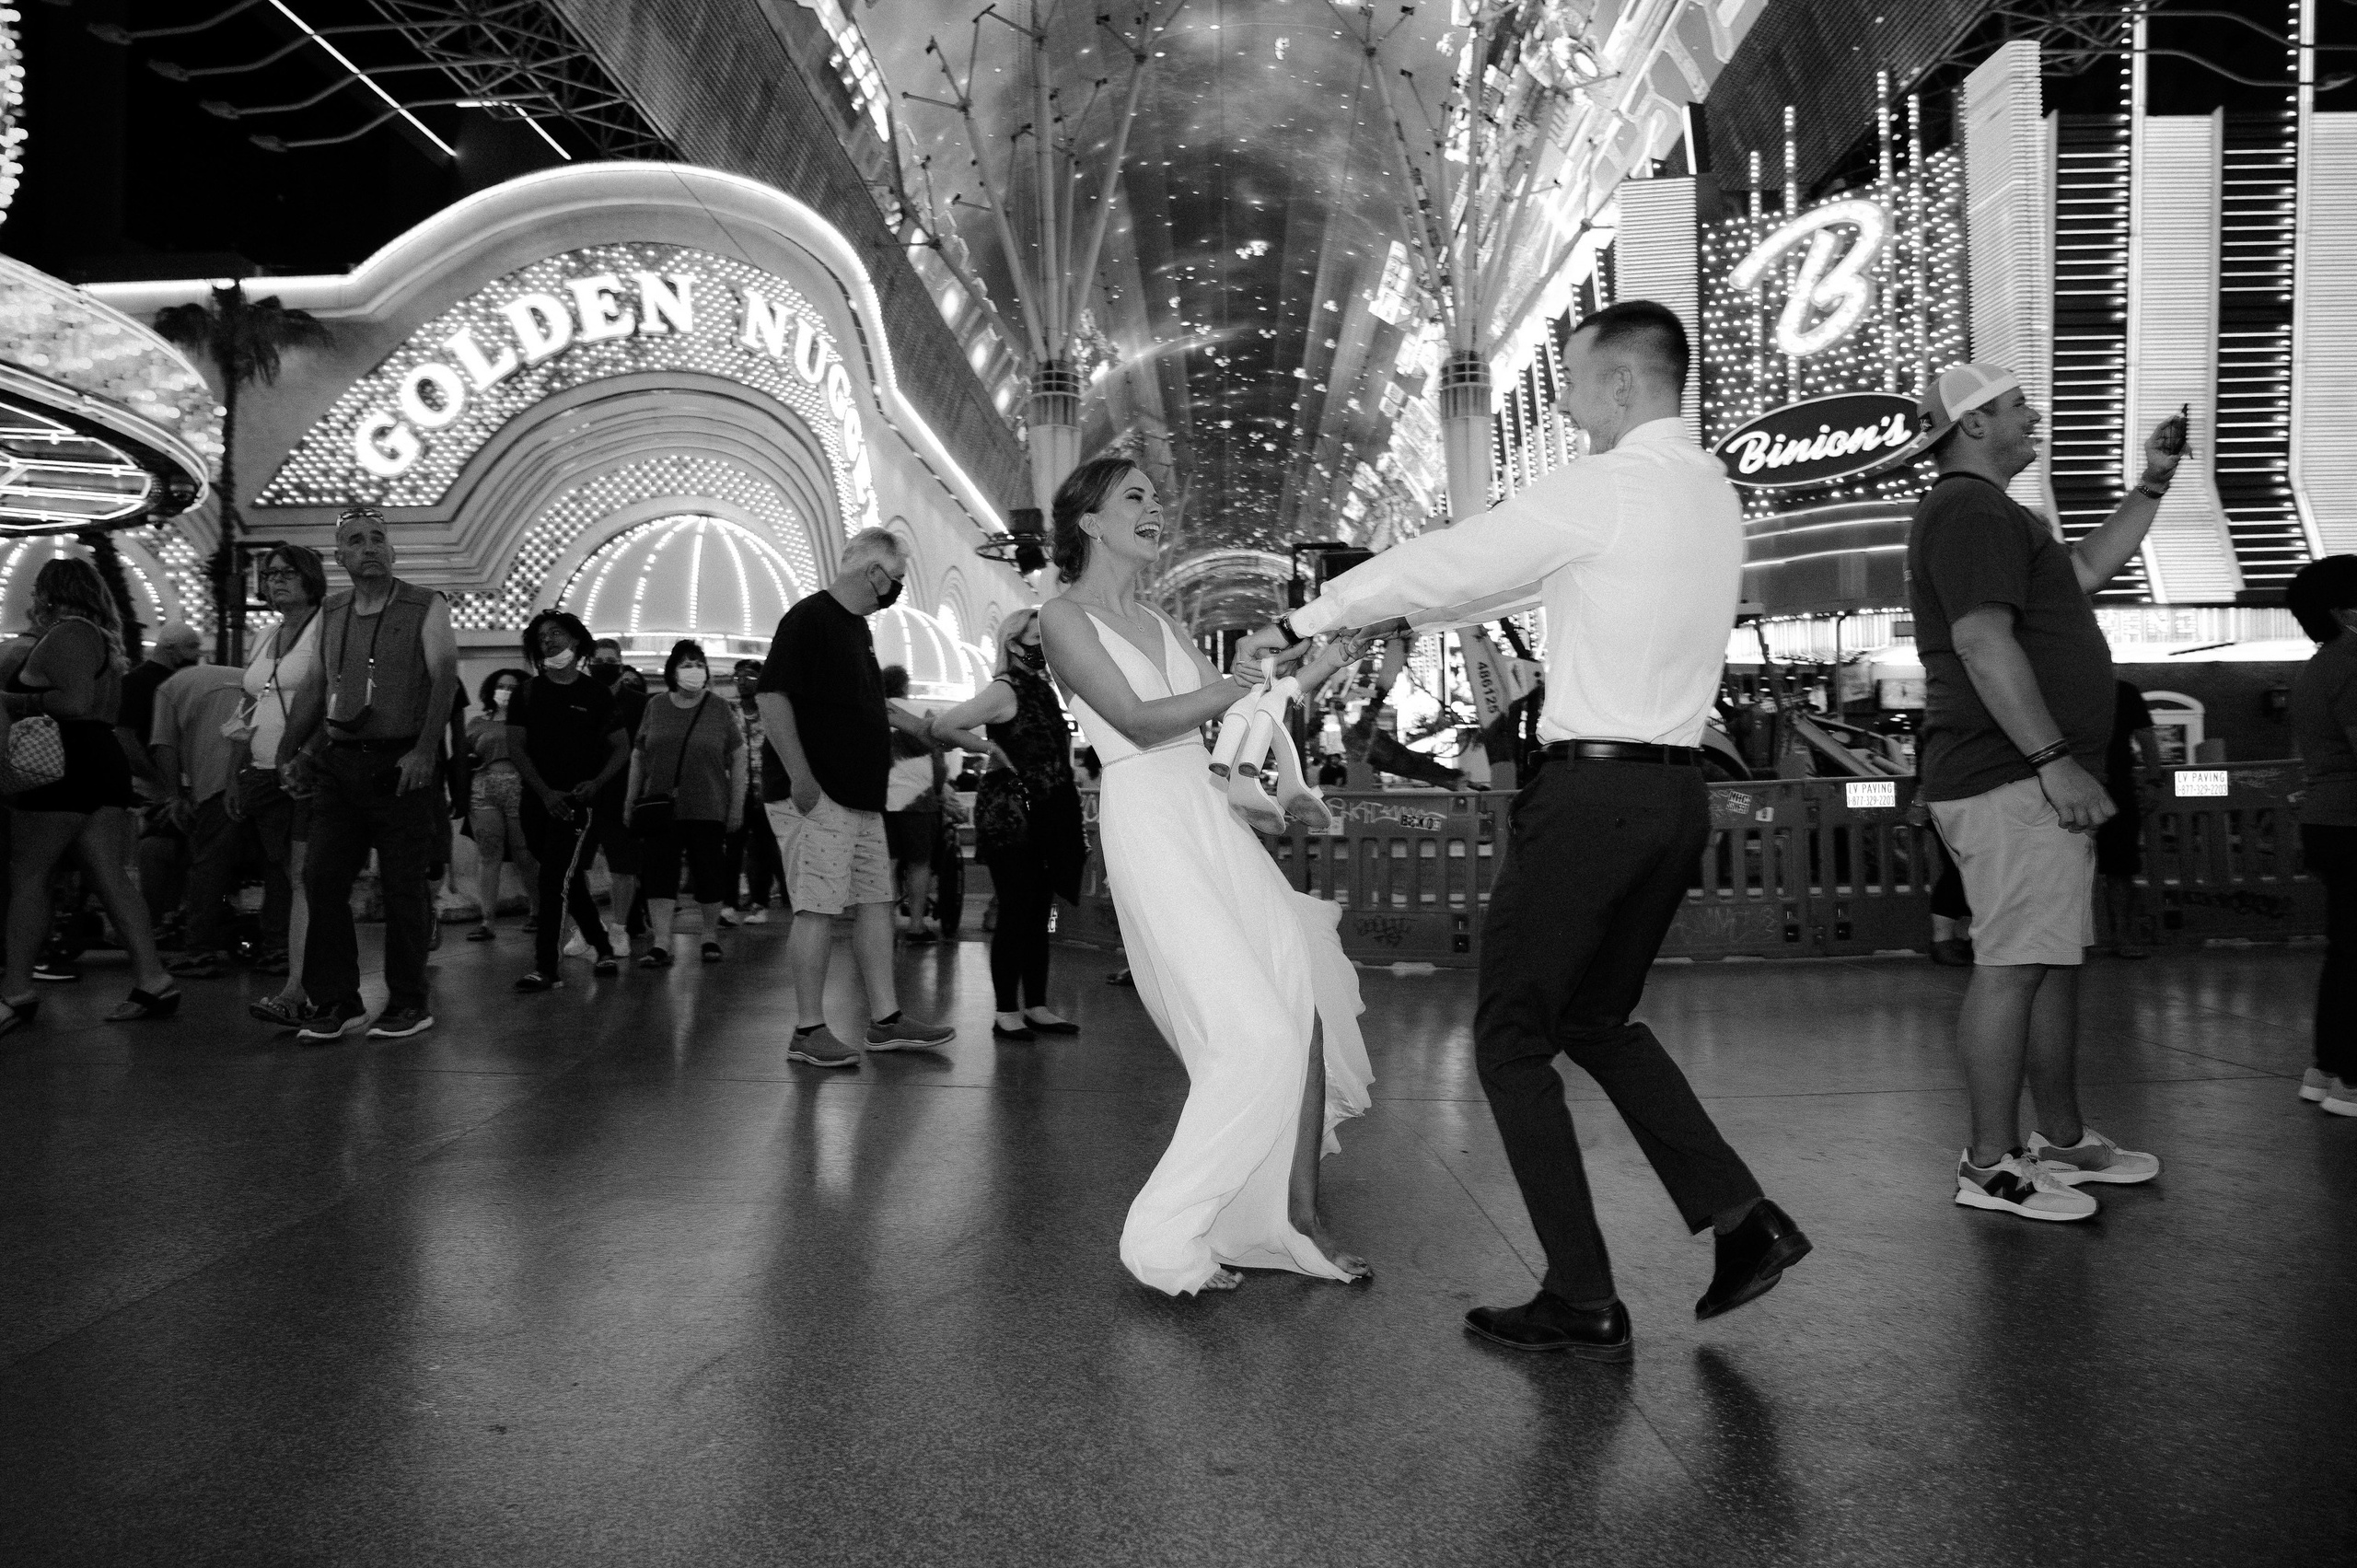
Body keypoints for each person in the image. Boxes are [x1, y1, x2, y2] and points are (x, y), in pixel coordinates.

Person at [1241, 301, 1808, 1354]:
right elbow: (1497, 580)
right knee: (1594, 1021)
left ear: (1626, 386)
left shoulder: (1609, 484)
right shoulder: (1705, 491)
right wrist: (1395, 613)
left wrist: (1303, 618)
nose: (1564, 400)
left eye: (1577, 380)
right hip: (1675, 796)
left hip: (1591, 803)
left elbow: (1457, 557)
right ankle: (1744, 1218)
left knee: (1510, 1038)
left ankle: (1582, 1291)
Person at [1041, 457, 1375, 1295]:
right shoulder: (1062, 616)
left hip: (1209, 816)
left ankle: (1292, 1220)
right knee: (1253, 1038)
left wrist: (1304, 672)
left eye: (1157, 497)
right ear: (1089, 520)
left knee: (1302, 1012)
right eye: (1135, 498)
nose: (1156, 509)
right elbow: (1139, 720)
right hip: (1152, 819)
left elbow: (1227, 714)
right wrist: (1242, 678)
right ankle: (1164, 1238)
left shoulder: (1158, 617)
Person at [1905, 364, 2182, 1219]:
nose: (2036, 416)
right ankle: (1989, 1162)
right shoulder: (1970, 507)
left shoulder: (1994, 515)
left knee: (2050, 962)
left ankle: (2060, 1140)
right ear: (1975, 425)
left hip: (2019, 773)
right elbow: (1983, 641)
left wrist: (2154, 481)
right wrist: (2054, 757)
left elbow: (2088, 569)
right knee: (2017, 965)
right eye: (2018, 406)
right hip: (2013, 773)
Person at [754, 528, 957, 1065]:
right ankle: (807, 1028)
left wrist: (943, 730)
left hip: (860, 796)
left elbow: (876, 709)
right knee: (817, 907)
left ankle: (886, 1020)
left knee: (875, 900)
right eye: (895, 581)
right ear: (872, 572)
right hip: (818, 793)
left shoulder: (856, 631)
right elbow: (772, 697)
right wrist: (800, 777)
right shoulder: (811, 619)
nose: (895, 593)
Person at [278, 506, 460, 1043]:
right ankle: (336, 1000)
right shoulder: (331, 612)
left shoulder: (426, 605)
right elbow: (315, 687)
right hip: (340, 761)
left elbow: (444, 678)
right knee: (321, 877)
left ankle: (408, 1002)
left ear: (393, 550)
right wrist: (291, 752)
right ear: (341, 558)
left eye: (378, 539)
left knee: (403, 885)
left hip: (400, 762)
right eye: (356, 541)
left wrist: (426, 751)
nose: (370, 548)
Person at [0, 557, 179, 1032]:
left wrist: (11, 700)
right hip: (97, 764)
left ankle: (15, 991)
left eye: (38, 592)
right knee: (110, 876)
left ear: (52, 593)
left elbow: (73, 704)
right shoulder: (97, 639)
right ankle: (152, 979)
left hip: (63, 763)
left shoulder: (70, 633)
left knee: (30, 875)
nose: (32, 601)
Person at [928, 607, 1088, 1040]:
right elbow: (944, 725)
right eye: (1037, 640)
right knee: (1019, 910)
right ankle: (1005, 1011)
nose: (1044, 649)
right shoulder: (1005, 689)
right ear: (1013, 644)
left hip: (1047, 811)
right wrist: (988, 748)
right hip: (1012, 815)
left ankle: (1035, 1004)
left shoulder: (1042, 690)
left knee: (1041, 912)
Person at [505, 611, 630, 990]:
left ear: (576, 641)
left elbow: (621, 748)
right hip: (537, 801)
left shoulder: (594, 695)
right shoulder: (527, 693)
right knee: (564, 880)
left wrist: (596, 784)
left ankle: (546, 966)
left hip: (577, 803)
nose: (548, 641)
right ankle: (603, 945)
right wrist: (543, 793)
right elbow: (516, 747)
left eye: (556, 634)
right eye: (541, 637)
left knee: (552, 879)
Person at [231, 544, 325, 1029]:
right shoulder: (266, 634)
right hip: (265, 770)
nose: (277, 580)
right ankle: (307, 983)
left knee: (306, 878)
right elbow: (248, 707)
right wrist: (237, 771)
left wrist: (305, 756)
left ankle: (298, 990)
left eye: (288, 573)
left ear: (310, 577)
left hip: (308, 773)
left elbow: (334, 698)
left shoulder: (325, 627)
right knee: (291, 879)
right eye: (269, 574)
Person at [2286, 555, 2357, 1115]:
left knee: (2347, 948)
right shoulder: (2354, 660)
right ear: (2346, 611)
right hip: (2354, 820)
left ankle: (2328, 1067)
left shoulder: (2319, 665)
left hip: (2328, 819)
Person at [628, 640, 745, 967]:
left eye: (698, 663)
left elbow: (737, 758)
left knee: (709, 873)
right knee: (659, 875)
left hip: (708, 806)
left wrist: (736, 806)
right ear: (672, 670)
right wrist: (630, 799)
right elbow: (639, 754)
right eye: (685, 663)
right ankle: (662, 942)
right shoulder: (656, 706)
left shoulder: (719, 708)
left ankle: (709, 935)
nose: (692, 670)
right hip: (660, 808)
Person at [150, 651, 250, 978]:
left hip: (218, 780)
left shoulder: (167, 688)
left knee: (208, 865)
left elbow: (163, 745)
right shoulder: (246, 674)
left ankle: (199, 950)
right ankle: (278, 947)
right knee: (277, 865)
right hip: (264, 774)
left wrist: (174, 796)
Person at [123, 622, 203, 939]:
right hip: (154, 784)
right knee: (162, 845)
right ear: (171, 648)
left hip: (167, 780)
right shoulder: (141, 684)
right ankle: (158, 916)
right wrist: (160, 778)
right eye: (192, 647)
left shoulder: (141, 682)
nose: (198, 655)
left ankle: (165, 915)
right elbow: (126, 738)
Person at [575, 637, 643, 956]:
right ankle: (585, 927)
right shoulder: (579, 696)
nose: (604, 664)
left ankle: (619, 928)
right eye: (597, 659)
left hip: (623, 790)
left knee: (623, 865)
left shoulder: (640, 703)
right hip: (584, 791)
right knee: (578, 864)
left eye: (609, 659)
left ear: (620, 661)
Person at [462, 668, 540, 942]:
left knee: (524, 853)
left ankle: (537, 910)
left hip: (519, 786)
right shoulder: (477, 723)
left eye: (512, 687)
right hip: (484, 786)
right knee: (489, 853)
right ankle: (487, 920)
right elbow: (465, 757)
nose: (506, 691)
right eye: (501, 686)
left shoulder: (530, 721)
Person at [881, 665, 946, 943]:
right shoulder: (924, 716)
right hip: (918, 801)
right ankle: (916, 925)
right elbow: (939, 762)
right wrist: (939, 790)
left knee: (886, 864)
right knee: (919, 863)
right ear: (905, 686)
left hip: (880, 800)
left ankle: (883, 925)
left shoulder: (874, 711)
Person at [2096, 680, 2161, 958]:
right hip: (2118, 788)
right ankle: (2122, 938)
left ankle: (2067, 942)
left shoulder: (2059, 686)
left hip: (2067, 785)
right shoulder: (2122, 690)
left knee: (2060, 868)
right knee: (2121, 870)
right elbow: (2146, 736)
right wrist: (2154, 780)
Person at [726, 658, 784, 923]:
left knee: (765, 848)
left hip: (767, 790)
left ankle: (761, 902)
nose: (741, 681)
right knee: (733, 848)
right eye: (738, 676)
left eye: (749, 676)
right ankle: (728, 903)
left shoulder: (772, 712)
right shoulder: (728, 712)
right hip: (736, 791)